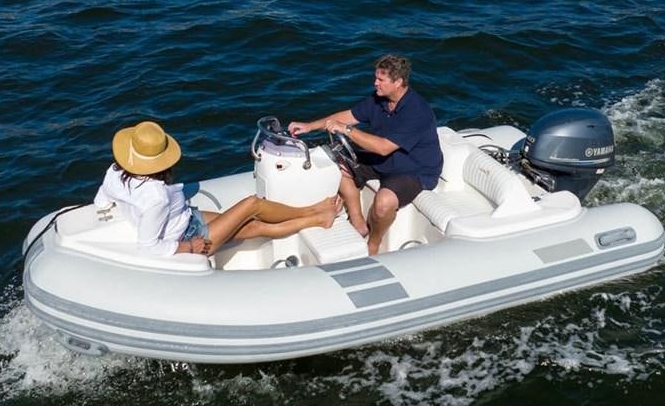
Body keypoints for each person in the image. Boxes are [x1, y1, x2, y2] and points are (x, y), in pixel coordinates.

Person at [95, 120, 340, 257]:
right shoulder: (155, 196)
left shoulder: (114, 172)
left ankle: (317, 217)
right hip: (189, 239)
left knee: (254, 227)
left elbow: (102, 199)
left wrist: (114, 207)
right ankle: (314, 212)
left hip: (186, 220)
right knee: (252, 204)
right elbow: (147, 247)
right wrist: (189, 247)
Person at [289, 54, 442, 256]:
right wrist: (310, 126)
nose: (375, 83)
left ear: (398, 82)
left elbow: (383, 147)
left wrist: (347, 130)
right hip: (384, 162)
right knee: (336, 162)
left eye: (381, 79)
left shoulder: (417, 111)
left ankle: (374, 244)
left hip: (413, 170)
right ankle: (358, 222)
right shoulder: (379, 100)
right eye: (375, 77)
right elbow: (349, 116)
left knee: (383, 203)